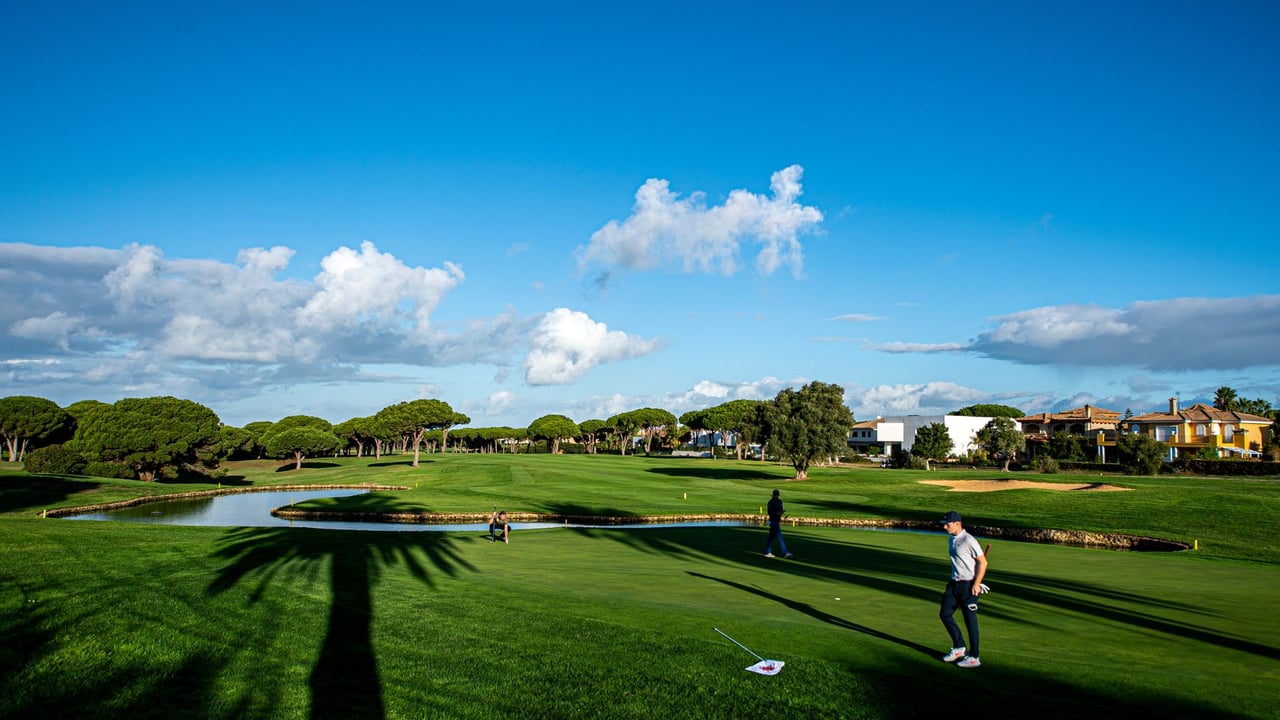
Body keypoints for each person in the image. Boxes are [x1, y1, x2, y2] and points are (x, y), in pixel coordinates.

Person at [937, 510, 987, 668]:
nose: (945, 527)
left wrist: (977, 583)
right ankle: (959, 647)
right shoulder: (952, 539)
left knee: (970, 621)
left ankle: (974, 656)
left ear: (957, 523)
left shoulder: (969, 540)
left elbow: (983, 562)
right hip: (954, 584)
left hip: (968, 586)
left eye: (947, 524)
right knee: (945, 614)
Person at [763, 489, 792, 559]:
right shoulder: (771, 502)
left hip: (777, 521)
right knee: (779, 537)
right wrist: (779, 513)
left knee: (771, 537)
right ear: (773, 495)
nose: (776, 496)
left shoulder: (779, 501)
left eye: (777, 495)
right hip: (773, 521)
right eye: (775, 495)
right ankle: (785, 552)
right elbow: (771, 513)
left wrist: (782, 514)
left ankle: (767, 551)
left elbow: (780, 511)